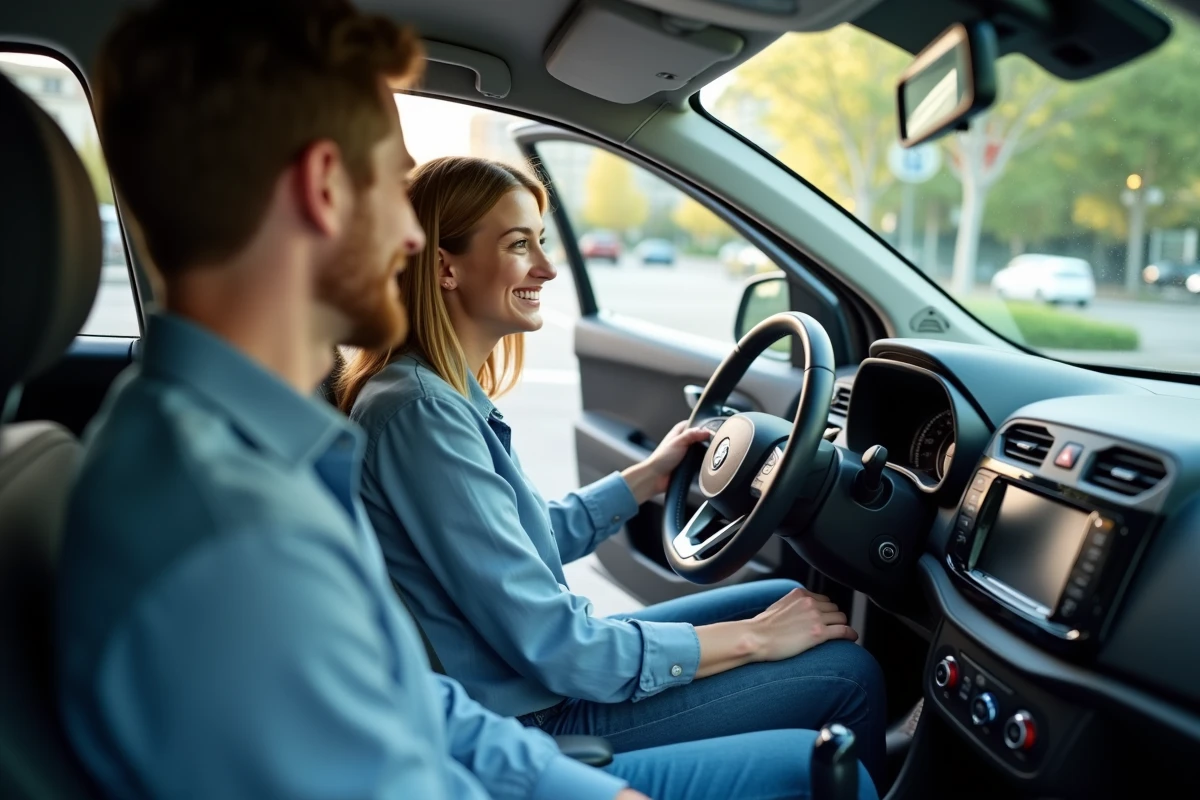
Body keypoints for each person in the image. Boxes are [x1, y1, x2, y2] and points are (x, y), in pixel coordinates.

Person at [55, 2, 878, 799]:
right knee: (841, 698)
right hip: (537, 707)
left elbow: (408, 696)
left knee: (796, 624)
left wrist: (568, 786)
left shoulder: (232, 452)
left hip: (512, 728)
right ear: (324, 189)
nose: (410, 238)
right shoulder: (231, 523)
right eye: (391, 187)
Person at [337, 155, 888, 786]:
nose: (546, 268)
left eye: (542, 243)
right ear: (445, 266)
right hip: (533, 719)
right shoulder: (422, 414)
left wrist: (647, 479)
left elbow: (515, 541)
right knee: (851, 677)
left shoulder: (432, 395)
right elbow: (558, 644)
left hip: (534, 680)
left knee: (784, 600)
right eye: (521, 245)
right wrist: (753, 642)